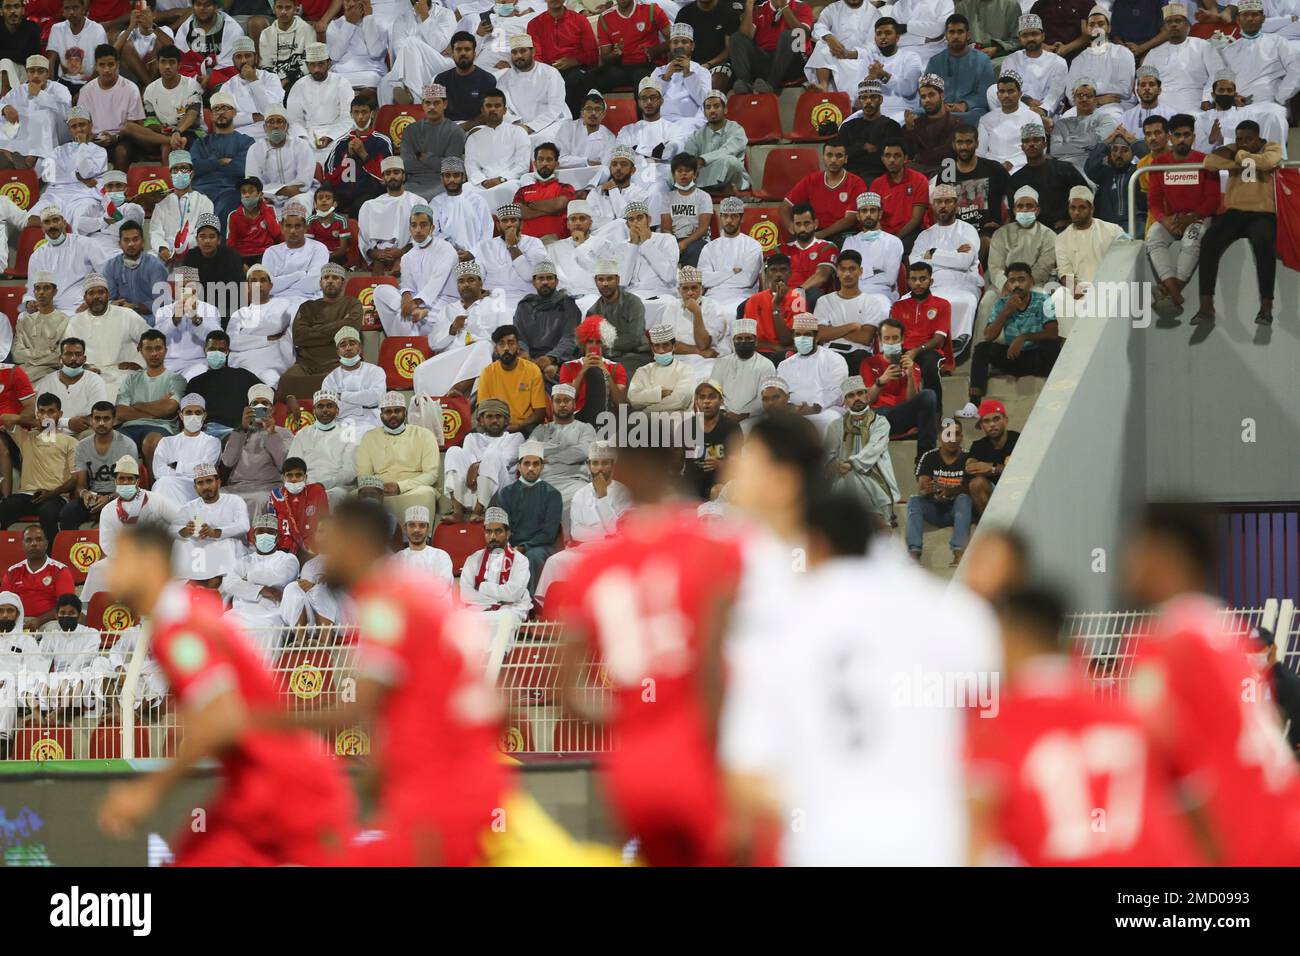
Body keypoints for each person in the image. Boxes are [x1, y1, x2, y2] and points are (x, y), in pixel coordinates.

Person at [96, 520, 355, 864]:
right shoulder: (183, 612)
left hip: (290, 787)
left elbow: (220, 718)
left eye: (121, 559)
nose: (110, 570)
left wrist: (147, 791)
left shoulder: (180, 627)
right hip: (260, 784)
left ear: (149, 563)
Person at [556, 417, 752, 866]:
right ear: (676, 461)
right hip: (701, 759)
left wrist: (637, 720)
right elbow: (711, 672)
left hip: (632, 772)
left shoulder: (587, 569)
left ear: (619, 467)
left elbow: (566, 694)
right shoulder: (720, 548)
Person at [967, 583, 1203, 865]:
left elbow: (974, 831)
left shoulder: (998, 727)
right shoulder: (1129, 716)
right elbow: (1192, 803)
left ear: (1009, 636)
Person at [1123, 505, 1300, 865]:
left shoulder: (1171, 640)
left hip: (1242, 839)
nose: (1130, 562)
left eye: (1138, 547)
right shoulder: (1225, 632)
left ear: (1165, 554)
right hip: (1280, 823)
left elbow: (1167, 760)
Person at [1194, 120, 1280, 328]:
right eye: (1239, 139)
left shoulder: (1271, 146)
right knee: (1209, 241)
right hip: (1235, 211)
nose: (1243, 143)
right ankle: (1206, 305)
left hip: (1262, 211)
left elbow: (1268, 162)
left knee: (1264, 242)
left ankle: (1266, 306)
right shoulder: (1232, 149)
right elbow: (1209, 162)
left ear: (1258, 138)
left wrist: (1238, 157)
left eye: (1248, 139)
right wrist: (1240, 155)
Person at [1144, 113, 1217, 319]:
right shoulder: (1159, 164)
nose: (1182, 139)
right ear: (1170, 137)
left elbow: (1212, 200)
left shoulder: (1205, 162)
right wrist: (1164, 219)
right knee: (1153, 238)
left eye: (1187, 135)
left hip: (1199, 216)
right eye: (1178, 135)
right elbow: (1154, 201)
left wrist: (1192, 217)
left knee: (1190, 243)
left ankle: (1169, 292)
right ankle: (1176, 293)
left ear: (1193, 137)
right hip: (1173, 218)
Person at [966, 260, 1060, 411]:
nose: (1017, 285)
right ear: (1008, 284)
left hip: (1035, 357)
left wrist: (1024, 337)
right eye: (1012, 281)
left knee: (1052, 346)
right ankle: (974, 404)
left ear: (1031, 281)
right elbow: (989, 335)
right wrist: (1006, 311)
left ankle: (1056, 394)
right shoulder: (1001, 304)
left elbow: (1053, 332)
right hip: (1012, 357)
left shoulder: (1044, 300)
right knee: (982, 348)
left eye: (1021, 280)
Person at [0, 396, 78, 556]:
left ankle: (53, 559)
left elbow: (75, 478)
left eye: (51, 412)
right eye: (42, 412)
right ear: (37, 414)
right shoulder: (26, 437)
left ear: (60, 413)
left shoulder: (70, 441)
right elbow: (5, 418)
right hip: (27, 495)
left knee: (48, 513)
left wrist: (51, 493)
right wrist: (37, 423)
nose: (46, 415)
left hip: (55, 495)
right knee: (4, 508)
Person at [219, 511, 301, 661]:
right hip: (240, 613)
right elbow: (229, 583)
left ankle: (265, 682)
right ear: (253, 536)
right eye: (260, 531)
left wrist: (247, 577)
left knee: (268, 632)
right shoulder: (244, 560)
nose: (265, 535)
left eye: (270, 532)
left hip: (272, 614)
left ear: (278, 537)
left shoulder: (288, 559)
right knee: (220, 626)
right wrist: (262, 589)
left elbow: (281, 577)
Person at [978, 186, 1057, 337]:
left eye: (1029, 206)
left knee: (1041, 300)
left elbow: (1044, 267)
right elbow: (995, 266)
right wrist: (1006, 284)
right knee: (987, 301)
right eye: (1020, 206)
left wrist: (1022, 285)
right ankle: (983, 349)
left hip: (1035, 285)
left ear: (1037, 210)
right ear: (1014, 210)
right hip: (1004, 285)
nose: (1025, 210)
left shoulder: (1048, 235)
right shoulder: (1001, 234)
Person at [822, 374, 899, 527]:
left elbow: (873, 449)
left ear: (867, 396)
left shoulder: (880, 423)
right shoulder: (836, 426)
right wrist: (833, 465)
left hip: (875, 477)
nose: (856, 398)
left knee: (850, 478)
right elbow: (827, 456)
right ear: (845, 401)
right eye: (850, 395)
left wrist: (850, 464)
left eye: (859, 393)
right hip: (843, 477)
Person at [278, 264, 363, 401]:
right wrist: (338, 327)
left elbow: (351, 328)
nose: (329, 281)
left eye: (335, 277)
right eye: (326, 277)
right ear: (320, 282)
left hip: (337, 362)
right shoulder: (307, 307)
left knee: (338, 383)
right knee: (286, 380)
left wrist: (314, 330)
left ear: (343, 283)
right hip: (307, 364)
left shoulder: (353, 304)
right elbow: (299, 337)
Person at [355, 391, 442, 525]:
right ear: (381, 415)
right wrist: (376, 488)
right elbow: (363, 474)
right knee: (351, 497)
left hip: (414, 487)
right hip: (379, 489)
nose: (393, 415)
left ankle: (421, 540)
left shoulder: (424, 435)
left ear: (405, 413)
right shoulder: (369, 437)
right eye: (388, 412)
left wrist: (400, 486)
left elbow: (431, 474)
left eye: (397, 410)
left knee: (425, 494)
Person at [859, 317, 939, 460]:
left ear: (902, 339)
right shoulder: (868, 363)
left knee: (929, 395)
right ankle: (927, 458)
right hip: (879, 416)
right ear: (880, 340)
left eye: (895, 338)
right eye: (887, 338)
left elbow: (912, 400)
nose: (891, 342)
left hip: (903, 414)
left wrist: (910, 376)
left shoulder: (912, 365)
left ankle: (925, 458)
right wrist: (881, 381)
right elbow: (865, 401)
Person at [1051, 184, 1126, 334]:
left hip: (1110, 287)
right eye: (1073, 208)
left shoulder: (1113, 230)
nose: (1076, 212)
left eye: (1082, 208)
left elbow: (1126, 257)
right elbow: (1064, 270)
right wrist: (1074, 287)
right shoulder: (1061, 238)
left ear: (1092, 209)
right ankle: (1069, 342)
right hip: (1080, 289)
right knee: (1059, 296)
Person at [490, 439, 561, 593]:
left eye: (536, 464)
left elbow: (549, 533)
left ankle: (528, 607)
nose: (531, 468)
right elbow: (503, 527)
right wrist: (509, 547)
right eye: (526, 463)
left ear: (542, 467)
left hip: (541, 546)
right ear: (519, 466)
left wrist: (524, 547)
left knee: (532, 557)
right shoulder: (507, 493)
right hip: (513, 545)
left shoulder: (553, 494)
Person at [62, 402, 137, 532]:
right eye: (97, 418)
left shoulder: (128, 445)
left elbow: (131, 486)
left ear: (114, 421)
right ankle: (72, 551)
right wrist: (85, 494)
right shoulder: (82, 446)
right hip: (94, 496)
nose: (101, 423)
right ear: (91, 421)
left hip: (120, 496)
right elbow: (80, 485)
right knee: (67, 513)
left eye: (106, 418)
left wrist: (109, 498)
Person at [905, 415, 970, 563]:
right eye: (948, 434)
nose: (952, 438)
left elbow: (970, 488)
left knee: (964, 499)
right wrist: (932, 491)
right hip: (934, 508)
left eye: (957, 434)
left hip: (958, 509)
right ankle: (914, 553)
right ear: (940, 436)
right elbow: (923, 487)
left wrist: (949, 491)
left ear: (962, 436)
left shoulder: (968, 457)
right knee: (914, 501)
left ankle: (959, 553)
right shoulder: (929, 457)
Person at [114, 329, 185, 461]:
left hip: (161, 427)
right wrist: (158, 409)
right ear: (140, 350)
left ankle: (154, 481)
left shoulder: (176, 379)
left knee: (152, 441)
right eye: (148, 349)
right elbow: (121, 412)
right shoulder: (131, 380)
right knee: (113, 441)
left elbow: (168, 408)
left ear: (166, 350)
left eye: (158, 348)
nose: (154, 353)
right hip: (129, 427)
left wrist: (136, 405)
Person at [221, 383, 291, 517]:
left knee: (259, 499)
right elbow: (228, 461)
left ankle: (253, 537)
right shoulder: (239, 432)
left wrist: (271, 434)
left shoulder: (283, 433)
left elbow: (285, 465)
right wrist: (242, 429)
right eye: (255, 403)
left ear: (272, 409)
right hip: (238, 486)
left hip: (268, 486)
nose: (260, 407)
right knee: (220, 496)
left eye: (264, 403)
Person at [528, 383, 596, 516]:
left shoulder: (585, 428)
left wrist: (549, 456)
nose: (562, 405)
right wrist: (567, 449)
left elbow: (582, 451)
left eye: (567, 401)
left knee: (582, 498)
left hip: (575, 481)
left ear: (574, 405)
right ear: (552, 405)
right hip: (544, 481)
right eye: (558, 401)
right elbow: (529, 451)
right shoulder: (541, 430)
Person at [775, 312, 848, 436]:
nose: (802, 338)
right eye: (798, 334)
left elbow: (838, 391)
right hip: (794, 412)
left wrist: (816, 407)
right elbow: (780, 393)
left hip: (826, 409)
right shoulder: (784, 365)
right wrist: (791, 407)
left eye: (807, 335)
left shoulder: (834, 359)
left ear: (816, 336)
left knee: (829, 420)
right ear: (793, 336)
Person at [783, 140, 866, 247]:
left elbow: (850, 220)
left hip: (843, 233)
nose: (833, 160)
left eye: (838, 156)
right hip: (814, 230)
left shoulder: (856, 183)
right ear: (823, 157)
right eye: (829, 155)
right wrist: (792, 227)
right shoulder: (811, 180)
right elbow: (785, 207)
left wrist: (820, 235)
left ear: (845, 159)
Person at [460, 504, 533, 624]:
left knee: (502, 619)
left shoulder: (520, 561)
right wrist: (493, 603)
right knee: (459, 617)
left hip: (511, 609)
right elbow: (466, 594)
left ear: (508, 533)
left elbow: (513, 594)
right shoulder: (474, 559)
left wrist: (481, 587)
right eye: (489, 531)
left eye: (498, 531)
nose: (493, 536)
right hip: (480, 608)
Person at [1008, 121, 1086, 231]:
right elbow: (1015, 213)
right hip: (1031, 232)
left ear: (1045, 144)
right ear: (1022, 147)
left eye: (1036, 140)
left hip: (1065, 230)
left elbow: (1085, 197)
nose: (1031, 144)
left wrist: (1070, 221)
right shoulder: (1016, 179)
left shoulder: (1065, 169)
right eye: (1027, 141)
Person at [185, 332, 263, 441]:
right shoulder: (195, 382)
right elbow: (188, 414)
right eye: (212, 349)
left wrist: (288, 397)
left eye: (221, 350)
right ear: (205, 350)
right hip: (208, 431)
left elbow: (266, 394)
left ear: (227, 352)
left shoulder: (243, 375)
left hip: (240, 428)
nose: (216, 353)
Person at [286, 391, 358, 507]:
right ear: (314, 411)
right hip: (307, 485)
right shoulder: (302, 434)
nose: (325, 410)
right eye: (320, 406)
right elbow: (292, 466)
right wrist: (307, 485)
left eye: (330, 406)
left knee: (335, 496)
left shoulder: (348, 433)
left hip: (338, 486)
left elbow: (350, 471)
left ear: (337, 411)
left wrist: (324, 484)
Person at [286, 43, 356, 163]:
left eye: (321, 64)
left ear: (329, 63)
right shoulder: (299, 85)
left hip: (336, 132)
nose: (317, 69)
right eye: (312, 65)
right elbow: (294, 120)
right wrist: (305, 138)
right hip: (307, 134)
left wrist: (331, 137)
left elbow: (348, 117)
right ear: (307, 66)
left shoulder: (342, 83)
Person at [149, 393, 222, 505]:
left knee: (165, 482)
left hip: (197, 488)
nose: (193, 416)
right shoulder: (166, 442)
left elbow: (203, 471)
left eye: (198, 412)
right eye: (188, 412)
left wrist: (177, 466)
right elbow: (158, 471)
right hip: (168, 486)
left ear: (204, 415)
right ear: (181, 415)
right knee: (163, 482)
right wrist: (189, 470)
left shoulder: (212, 442)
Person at [729, 0, 813, 94]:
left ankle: (771, 85)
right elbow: (744, 38)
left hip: (793, 61)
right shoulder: (758, 9)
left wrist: (784, 7)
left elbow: (802, 35)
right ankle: (745, 83)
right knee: (736, 38)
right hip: (767, 61)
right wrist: (749, 6)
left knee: (788, 35)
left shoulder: (801, 6)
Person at [152, 268, 222, 381]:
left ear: (196, 289)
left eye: (189, 288)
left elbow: (217, 339)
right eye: (182, 287)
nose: (185, 291)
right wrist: (175, 319)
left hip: (198, 362)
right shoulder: (164, 311)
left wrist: (195, 317)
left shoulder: (210, 309)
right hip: (169, 362)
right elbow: (157, 340)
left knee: (195, 381)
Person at [27, 210, 100, 316]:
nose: (52, 225)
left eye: (56, 220)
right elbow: (31, 290)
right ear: (42, 228)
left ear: (64, 223)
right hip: (48, 310)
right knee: (23, 317)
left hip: (80, 308)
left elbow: (106, 276)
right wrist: (30, 303)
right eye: (47, 222)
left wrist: (92, 302)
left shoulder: (87, 244)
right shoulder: (37, 255)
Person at [558, 315, 630, 423]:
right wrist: (583, 371)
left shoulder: (616, 367)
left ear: (605, 344)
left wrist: (605, 372)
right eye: (590, 341)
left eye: (598, 342)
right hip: (576, 420)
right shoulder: (568, 366)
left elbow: (620, 403)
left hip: (606, 420)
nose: (593, 345)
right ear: (583, 343)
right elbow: (566, 401)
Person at [926, 13, 994, 127]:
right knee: (917, 115)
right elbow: (927, 92)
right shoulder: (935, 61)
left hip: (970, 112)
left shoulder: (983, 61)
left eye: (960, 32)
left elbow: (985, 95)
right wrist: (941, 107)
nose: (956, 36)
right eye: (951, 32)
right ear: (946, 36)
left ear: (968, 35)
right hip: (940, 109)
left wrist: (965, 105)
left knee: (980, 117)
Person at [1, 524, 74, 627]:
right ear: (23, 545)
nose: (34, 544)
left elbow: (66, 605)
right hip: (17, 622)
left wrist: (39, 621)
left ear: (46, 544)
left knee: (55, 629)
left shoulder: (60, 570)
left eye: (38, 539)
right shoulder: (12, 571)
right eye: (29, 540)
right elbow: (4, 603)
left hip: (49, 622)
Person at [36, 338, 109, 438]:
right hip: (52, 431)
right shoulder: (47, 382)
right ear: (60, 358)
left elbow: (99, 416)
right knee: (36, 435)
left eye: (78, 354)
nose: (73, 358)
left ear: (84, 358)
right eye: (68, 354)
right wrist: (68, 423)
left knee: (91, 435)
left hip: (82, 433)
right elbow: (40, 417)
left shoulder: (95, 381)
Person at [804, 0, 882, 93]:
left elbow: (874, 47)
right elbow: (819, 26)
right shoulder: (833, 8)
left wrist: (850, 54)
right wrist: (829, 37)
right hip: (836, 54)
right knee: (821, 45)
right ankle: (823, 84)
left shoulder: (874, 13)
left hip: (860, 60)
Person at [102, 220, 169, 326]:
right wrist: (112, 305)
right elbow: (108, 299)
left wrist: (135, 307)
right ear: (120, 244)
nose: (131, 244)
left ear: (143, 242)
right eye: (126, 240)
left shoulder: (155, 266)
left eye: (135, 239)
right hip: (122, 318)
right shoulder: (110, 267)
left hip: (151, 319)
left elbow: (162, 303)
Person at [1049, 77, 1119, 179]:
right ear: (1074, 99)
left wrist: (1068, 141)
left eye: (1088, 96)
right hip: (1064, 170)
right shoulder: (1062, 123)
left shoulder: (1105, 119)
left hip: (1093, 167)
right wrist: (1088, 147)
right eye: (1080, 95)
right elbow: (1055, 150)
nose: (1084, 99)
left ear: (1095, 100)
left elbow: (1098, 143)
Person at [871, 139, 930, 254]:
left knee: (901, 248)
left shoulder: (919, 180)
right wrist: (883, 239)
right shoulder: (876, 184)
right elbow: (875, 217)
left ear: (905, 158)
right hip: (885, 234)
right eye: (887, 156)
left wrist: (895, 239)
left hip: (911, 232)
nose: (892, 160)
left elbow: (916, 220)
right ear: (883, 159)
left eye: (897, 156)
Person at [684, 90, 748, 193]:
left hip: (730, 175)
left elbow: (727, 151)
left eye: (716, 106)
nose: (712, 110)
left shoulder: (737, 129)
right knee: (678, 169)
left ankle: (702, 189)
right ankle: (717, 190)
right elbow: (687, 158)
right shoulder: (696, 135)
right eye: (708, 107)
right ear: (704, 112)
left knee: (731, 161)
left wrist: (702, 160)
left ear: (725, 109)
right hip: (704, 173)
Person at [713, 319, 775, 422]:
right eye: (739, 338)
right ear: (733, 342)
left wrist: (744, 415)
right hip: (723, 415)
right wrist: (723, 412)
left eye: (748, 338)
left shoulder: (766, 365)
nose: (743, 341)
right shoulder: (722, 363)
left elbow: (764, 398)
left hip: (753, 417)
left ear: (756, 341)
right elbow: (714, 390)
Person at [14, 273, 71, 387]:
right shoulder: (24, 321)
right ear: (34, 292)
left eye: (46, 288)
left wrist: (31, 357)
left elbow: (59, 356)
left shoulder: (64, 321)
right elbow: (16, 354)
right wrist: (43, 355)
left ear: (55, 292)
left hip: (49, 373)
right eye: (37, 288)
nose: (41, 292)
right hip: (22, 373)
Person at [965, 398, 1016, 517]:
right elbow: (970, 468)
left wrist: (992, 468)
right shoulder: (978, 446)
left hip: (1016, 490)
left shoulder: (1019, 440)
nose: (992, 424)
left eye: (996, 419)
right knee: (976, 484)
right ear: (981, 426)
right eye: (986, 421)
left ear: (1005, 420)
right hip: (991, 496)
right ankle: (990, 526)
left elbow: (1025, 471)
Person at [628, 324, 697, 412]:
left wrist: (647, 410)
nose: (661, 350)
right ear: (652, 348)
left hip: (677, 421)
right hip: (645, 422)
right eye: (657, 346)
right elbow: (633, 399)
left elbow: (679, 401)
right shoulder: (642, 371)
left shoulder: (686, 370)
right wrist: (660, 393)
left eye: (665, 345)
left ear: (674, 346)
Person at [904, 72, 960, 177]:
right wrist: (910, 130)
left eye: (931, 95)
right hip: (919, 176)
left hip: (946, 175)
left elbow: (948, 153)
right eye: (923, 97)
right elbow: (908, 154)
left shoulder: (956, 123)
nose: (927, 100)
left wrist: (921, 157)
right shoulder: (915, 124)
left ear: (942, 95)